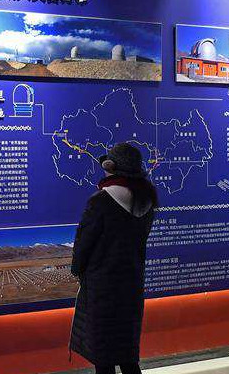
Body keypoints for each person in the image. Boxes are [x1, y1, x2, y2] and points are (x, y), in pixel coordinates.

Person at [69, 143, 158, 374]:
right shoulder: (146, 201)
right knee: (127, 355)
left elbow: (84, 243)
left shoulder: (101, 201)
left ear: (110, 167)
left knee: (104, 357)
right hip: (131, 285)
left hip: (102, 288)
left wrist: (77, 269)